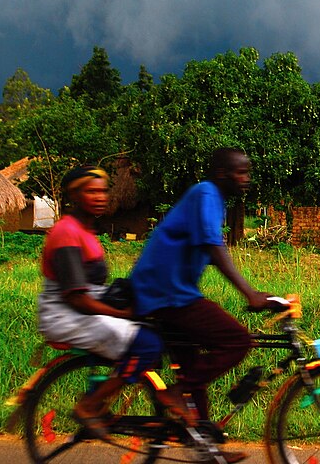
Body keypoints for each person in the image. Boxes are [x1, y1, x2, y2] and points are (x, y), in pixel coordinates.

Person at [130, 148, 279, 433]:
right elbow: (213, 247)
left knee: (192, 366)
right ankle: (177, 392)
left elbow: (208, 249)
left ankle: (205, 444)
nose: (247, 178)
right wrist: (250, 293)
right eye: (241, 172)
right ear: (223, 174)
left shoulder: (212, 199)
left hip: (169, 291)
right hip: (167, 293)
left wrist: (257, 293)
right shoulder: (206, 194)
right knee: (237, 340)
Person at [37, 166, 186, 437]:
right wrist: (122, 313)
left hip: (84, 311)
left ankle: (102, 398)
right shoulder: (66, 233)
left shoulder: (86, 230)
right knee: (147, 343)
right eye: (91, 191)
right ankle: (90, 405)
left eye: (103, 191)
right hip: (67, 315)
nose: (100, 197)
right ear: (74, 195)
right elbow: (76, 297)